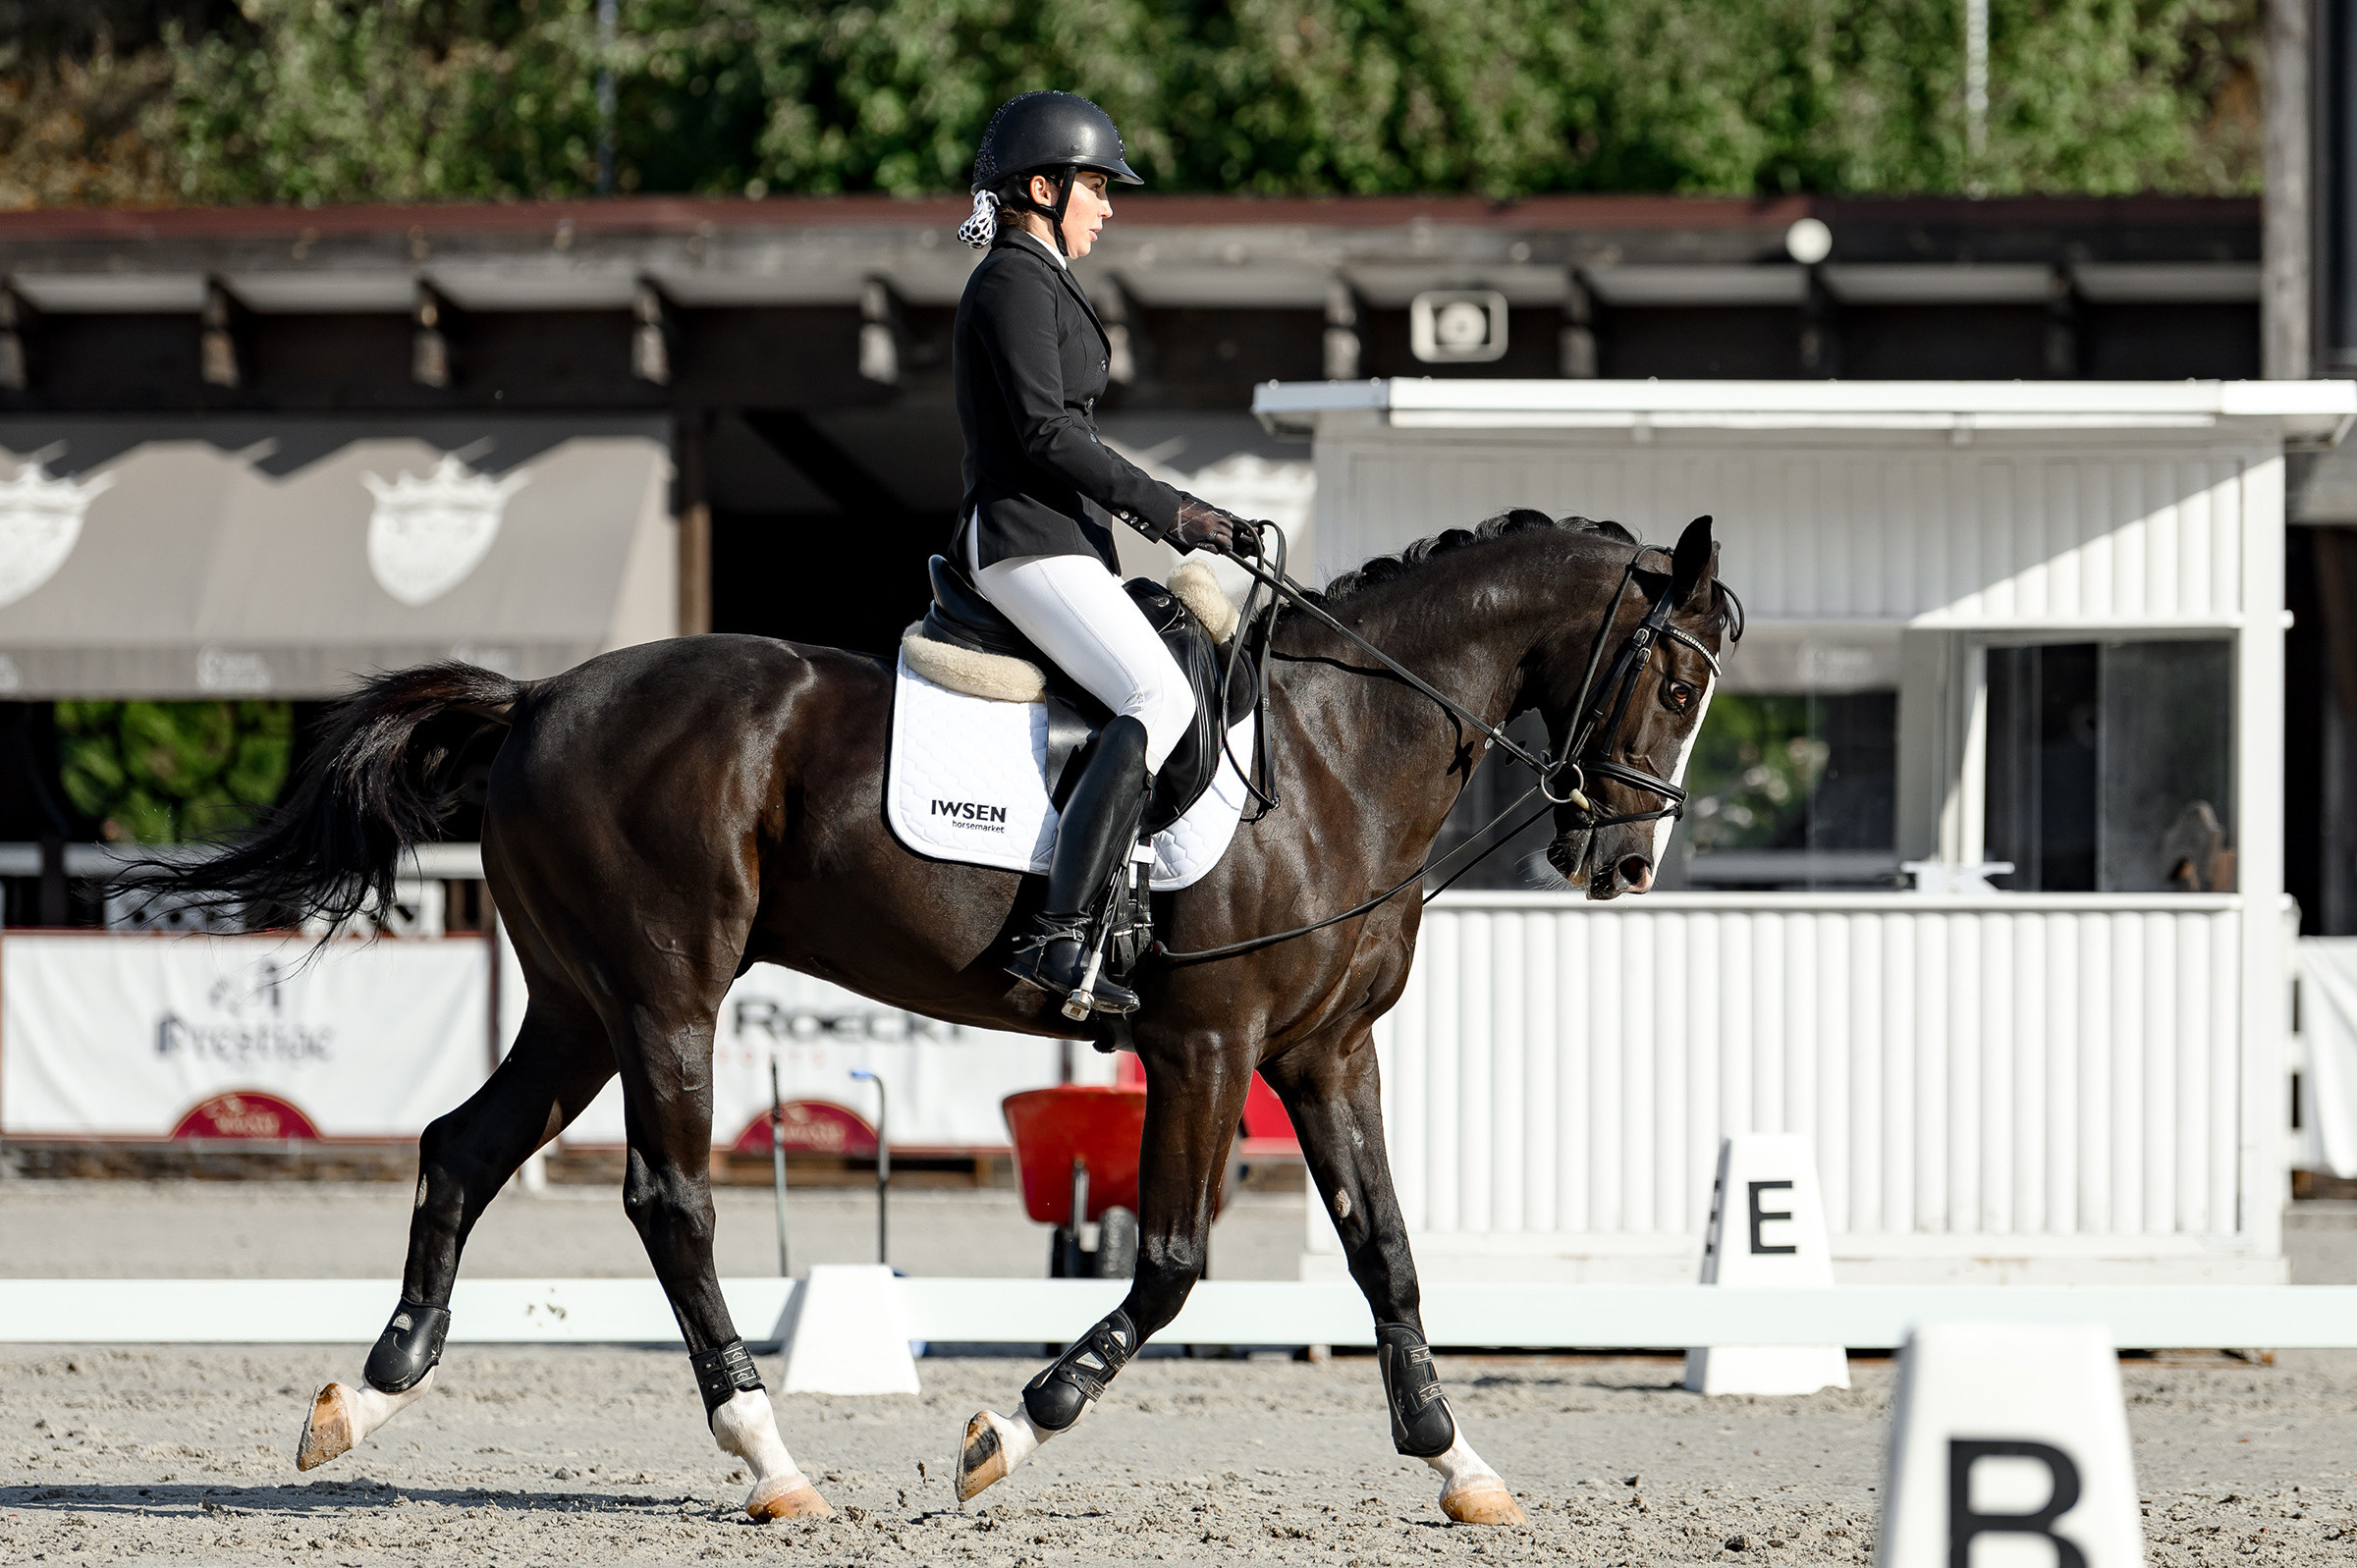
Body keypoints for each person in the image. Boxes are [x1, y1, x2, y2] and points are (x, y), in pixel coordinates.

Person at [951, 89, 1255, 1016]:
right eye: (1095, 186)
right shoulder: (1009, 282)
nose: (1108, 205)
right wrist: (1174, 510)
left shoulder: (1040, 279)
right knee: (1156, 693)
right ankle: (1058, 932)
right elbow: (1045, 434)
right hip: (1024, 539)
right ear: (1040, 188)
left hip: (1067, 539)